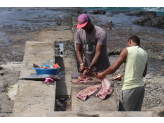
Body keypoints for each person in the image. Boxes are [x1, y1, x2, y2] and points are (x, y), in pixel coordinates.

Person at [97, 35, 148, 111]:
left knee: (124, 114)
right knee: (136, 114)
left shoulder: (127, 50)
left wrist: (103, 73)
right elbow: (143, 74)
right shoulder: (145, 53)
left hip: (129, 88)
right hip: (140, 88)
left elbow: (114, 68)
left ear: (130, 41)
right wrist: (124, 76)